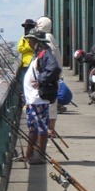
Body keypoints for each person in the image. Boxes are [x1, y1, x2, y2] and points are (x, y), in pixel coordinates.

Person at [23, 28, 61, 164]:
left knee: (41, 128)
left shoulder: (45, 54)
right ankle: (29, 156)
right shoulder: (38, 54)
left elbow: (55, 69)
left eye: (31, 40)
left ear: (37, 42)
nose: (28, 43)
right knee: (33, 128)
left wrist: (41, 80)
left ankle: (40, 156)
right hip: (33, 100)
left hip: (38, 99)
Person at [35, 16, 63, 136]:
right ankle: (50, 128)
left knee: (50, 102)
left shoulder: (46, 38)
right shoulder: (51, 38)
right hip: (53, 75)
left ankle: (50, 129)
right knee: (51, 102)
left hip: (49, 76)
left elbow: (50, 60)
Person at [17, 19, 36, 88]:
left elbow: (35, 48)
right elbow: (20, 48)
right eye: (25, 26)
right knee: (26, 84)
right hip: (25, 64)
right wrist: (29, 49)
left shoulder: (35, 36)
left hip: (34, 63)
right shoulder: (23, 38)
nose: (25, 28)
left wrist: (26, 48)